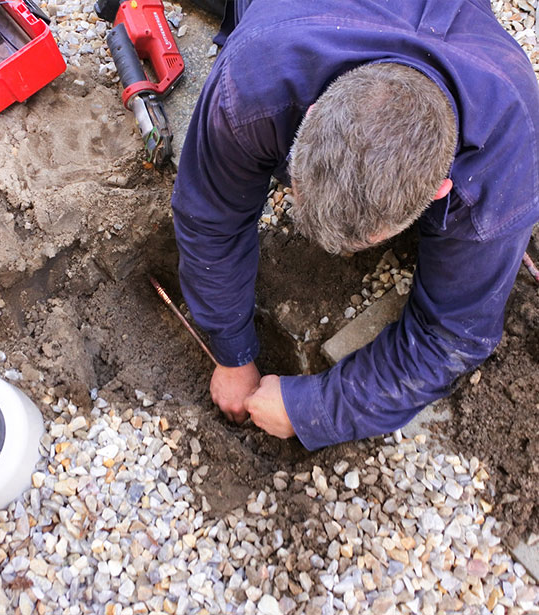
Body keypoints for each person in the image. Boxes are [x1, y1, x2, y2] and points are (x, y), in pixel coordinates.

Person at [171, 0, 539, 450]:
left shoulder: (507, 164)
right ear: (310, 114)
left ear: (440, 191)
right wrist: (232, 352)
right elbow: (209, 217)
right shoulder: (254, 75)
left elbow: (450, 338)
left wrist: (313, 409)